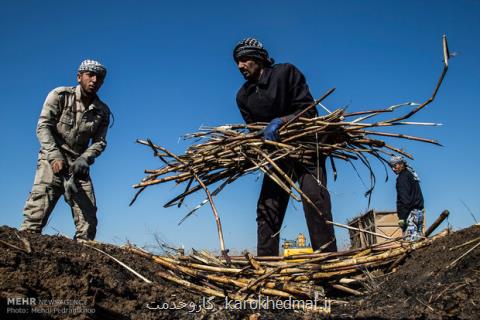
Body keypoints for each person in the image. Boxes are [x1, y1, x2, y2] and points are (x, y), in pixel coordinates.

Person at [233, 37, 337, 256]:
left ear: (258, 58)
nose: (240, 66)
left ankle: (327, 260)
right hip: (276, 156)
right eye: (237, 62)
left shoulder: (285, 73)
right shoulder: (243, 96)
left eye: (244, 59)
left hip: (306, 149)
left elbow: (308, 111)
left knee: (314, 199)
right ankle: (267, 270)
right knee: (267, 209)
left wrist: (282, 121)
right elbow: (254, 131)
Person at [20, 60, 111, 241]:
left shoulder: (102, 111)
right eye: (89, 75)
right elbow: (43, 126)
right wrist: (54, 156)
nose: (94, 80)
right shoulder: (60, 96)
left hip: (78, 166)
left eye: (99, 78)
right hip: (51, 160)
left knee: (88, 223)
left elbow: (100, 142)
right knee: (34, 217)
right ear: (79, 77)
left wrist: (85, 158)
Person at [389, 155, 425, 241]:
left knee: (411, 243)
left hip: (411, 215)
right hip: (418, 213)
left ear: (401, 164)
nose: (393, 169)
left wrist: (402, 217)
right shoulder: (410, 175)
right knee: (418, 240)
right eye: (391, 167)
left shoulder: (402, 178)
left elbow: (404, 199)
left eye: (395, 166)